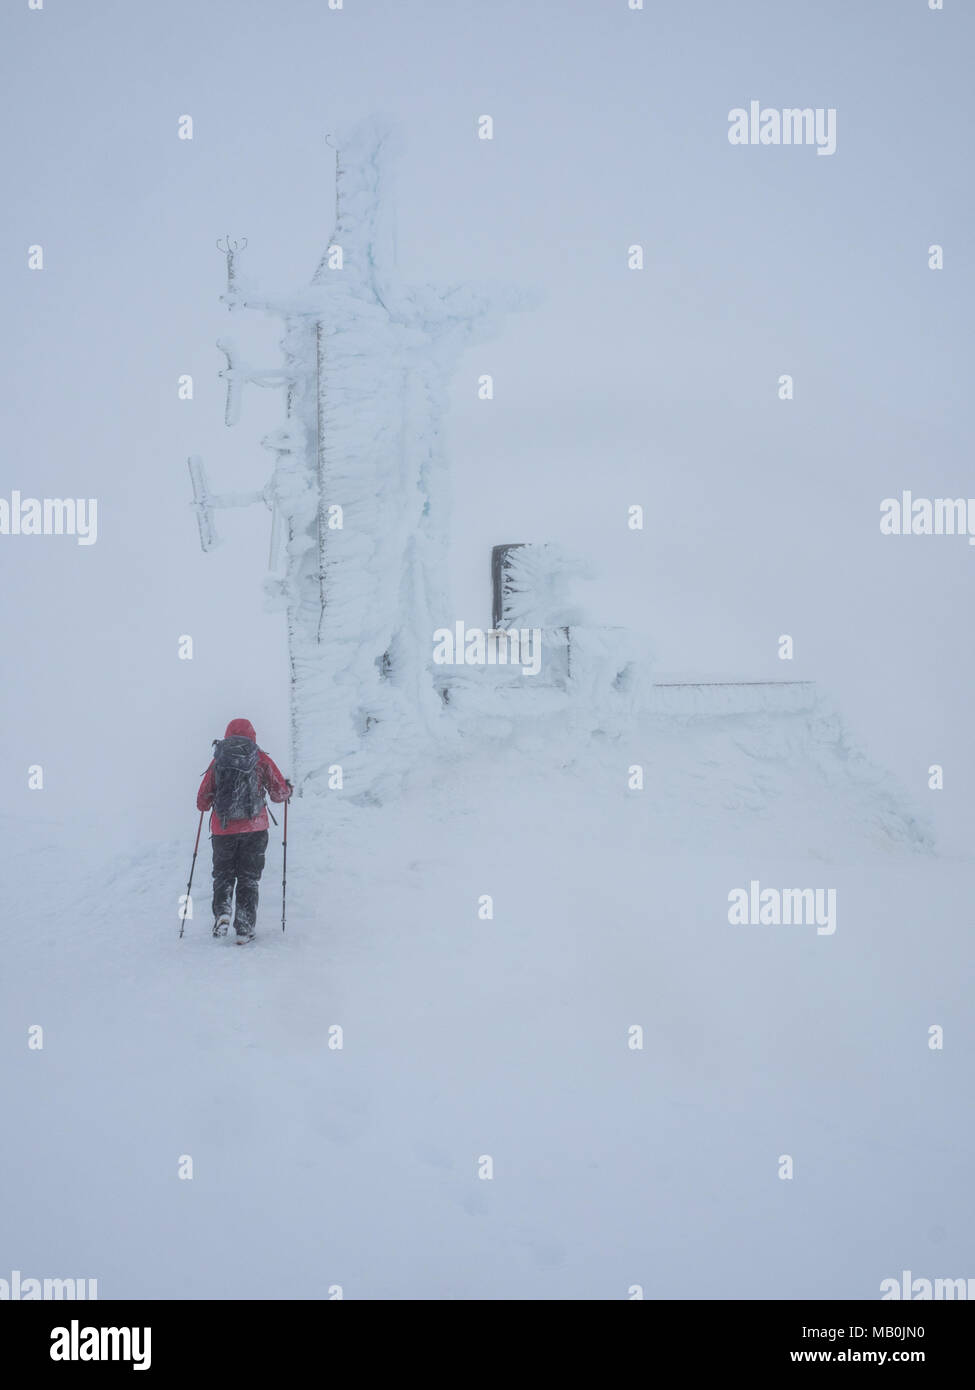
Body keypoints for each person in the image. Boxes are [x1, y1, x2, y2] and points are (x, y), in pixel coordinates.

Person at [196, 718, 291, 942]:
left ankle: (223, 913)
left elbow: (202, 801)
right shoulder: (260, 758)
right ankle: (245, 927)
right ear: (253, 735)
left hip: (223, 829)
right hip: (254, 829)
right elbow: (279, 793)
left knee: (223, 875)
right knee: (249, 878)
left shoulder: (218, 760)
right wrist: (288, 789)